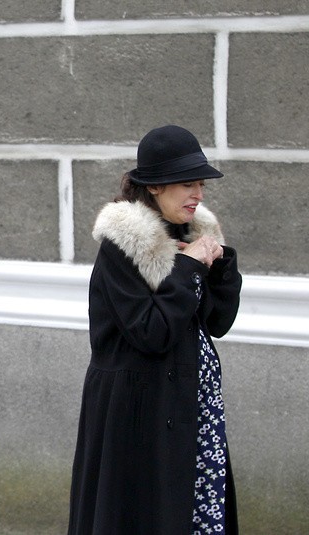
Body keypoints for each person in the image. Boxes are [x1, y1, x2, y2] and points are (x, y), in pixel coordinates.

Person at [67, 125, 243, 534]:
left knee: (194, 514)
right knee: (144, 515)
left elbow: (218, 322)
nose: (197, 193)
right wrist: (189, 267)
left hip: (192, 408)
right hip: (137, 414)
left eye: (200, 183)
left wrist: (219, 264)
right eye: (186, 184)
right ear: (156, 188)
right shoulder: (123, 247)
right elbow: (150, 331)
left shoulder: (189, 236)